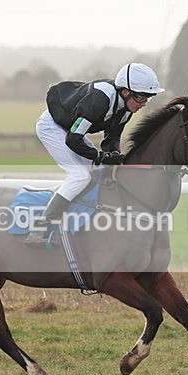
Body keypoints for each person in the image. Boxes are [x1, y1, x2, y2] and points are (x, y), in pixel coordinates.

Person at [25, 63, 165, 245]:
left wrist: (114, 156)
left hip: (70, 130)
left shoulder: (126, 110)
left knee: (97, 171)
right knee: (81, 176)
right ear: (125, 91)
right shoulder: (100, 100)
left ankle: (76, 222)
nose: (143, 104)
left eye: (148, 98)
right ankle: (40, 229)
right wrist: (99, 157)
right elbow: (73, 139)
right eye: (140, 97)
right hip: (53, 127)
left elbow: (111, 139)